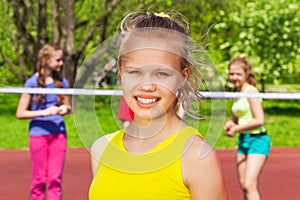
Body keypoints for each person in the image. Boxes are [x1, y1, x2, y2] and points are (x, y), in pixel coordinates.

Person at [89, 11, 227, 200]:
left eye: (161, 74)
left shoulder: (195, 156)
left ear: (182, 77)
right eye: (135, 72)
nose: (147, 86)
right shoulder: (101, 149)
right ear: (121, 73)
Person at [16, 44, 72, 200]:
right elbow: (20, 113)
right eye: (58, 60)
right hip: (38, 135)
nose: (61, 63)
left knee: (55, 179)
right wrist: (44, 112)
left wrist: (65, 109)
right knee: (39, 180)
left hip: (58, 135)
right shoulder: (32, 83)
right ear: (46, 60)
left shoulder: (62, 82)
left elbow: (68, 106)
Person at [224, 55, 270, 200]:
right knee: (243, 184)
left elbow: (259, 119)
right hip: (243, 140)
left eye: (238, 74)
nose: (234, 77)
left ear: (246, 74)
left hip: (258, 140)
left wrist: (237, 128)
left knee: (250, 185)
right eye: (231, 73)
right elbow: (237, 118)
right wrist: (231, 123)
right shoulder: (238, 93)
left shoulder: (251, 91)